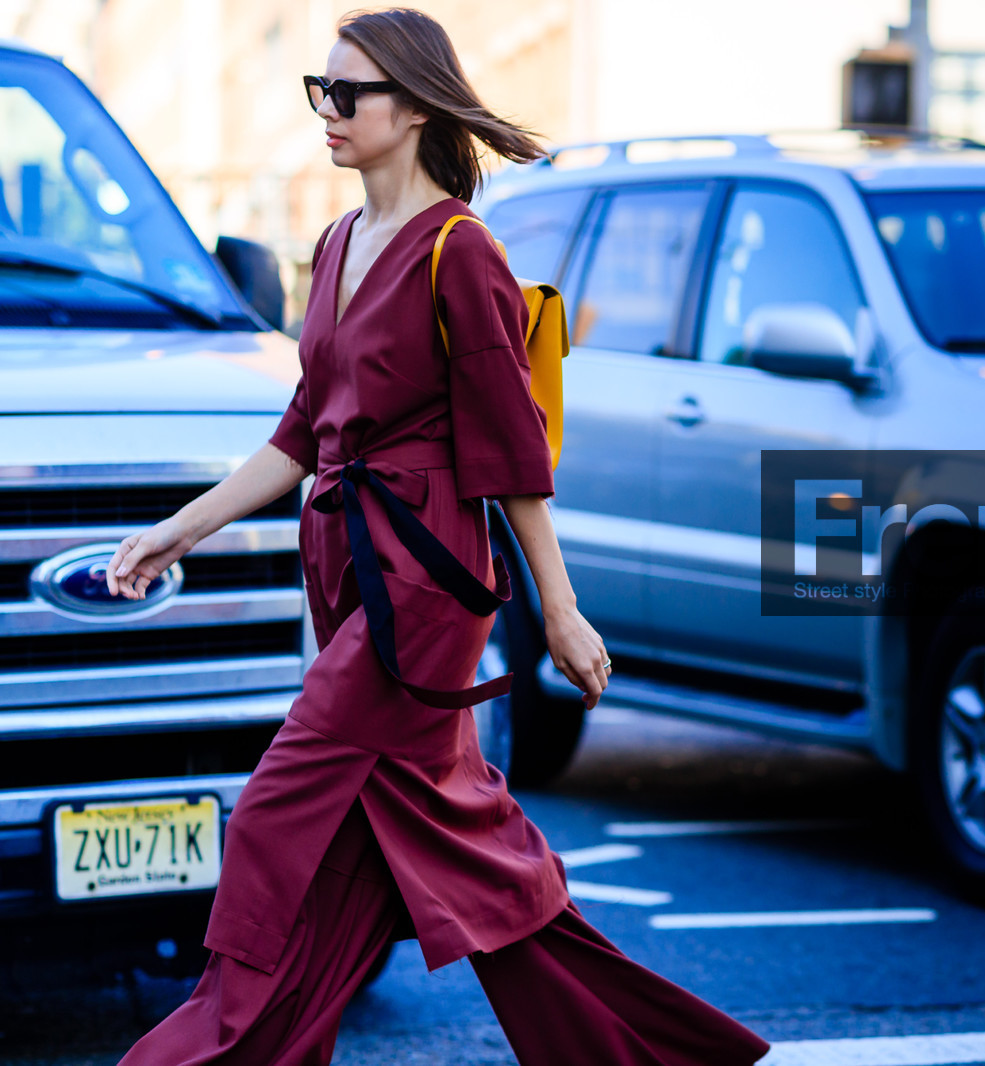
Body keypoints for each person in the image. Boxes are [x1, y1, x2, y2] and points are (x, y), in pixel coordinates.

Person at [107, 8, 771, 1064]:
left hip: (423, 586)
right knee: (426, 841)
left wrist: (560, 610)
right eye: (321, 90)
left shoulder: (461, 251)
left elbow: (513, 453)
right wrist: (176, 532)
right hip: (346, 570)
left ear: (414, 107)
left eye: (349, 93)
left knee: (281, 804)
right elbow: (301, 433)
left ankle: (216, 1037)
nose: (328, 111)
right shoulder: (335, 245)